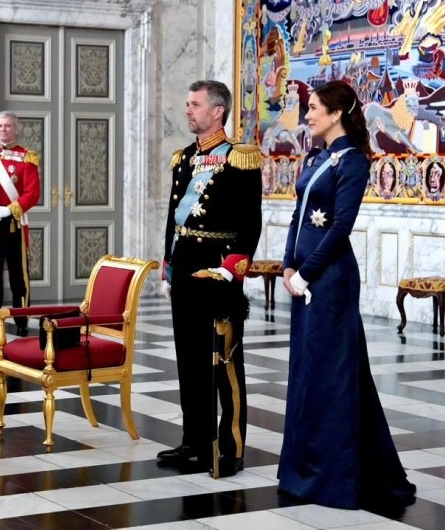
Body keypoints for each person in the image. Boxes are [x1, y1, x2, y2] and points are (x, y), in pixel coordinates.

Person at [279, 80, 416, 509]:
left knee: (332, 374)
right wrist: (287, 264)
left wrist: (307, 274)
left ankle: (334, 477)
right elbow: (297, 215)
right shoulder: (315, 156)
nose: (307, 115)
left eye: (314, 108)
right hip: (302, 276)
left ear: (336, 113)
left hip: (331, 281)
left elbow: (340, 228)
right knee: (307, 373)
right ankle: (303, 469)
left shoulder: (352, 163)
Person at [159, 80, 263, 477]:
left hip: (218, 268)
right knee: (189, 357)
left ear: (218, 111)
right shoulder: (184, 158)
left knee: (225, 361)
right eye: (187, 103)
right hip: (186, 264)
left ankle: (232, 447)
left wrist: (231, 270)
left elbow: (249, 226)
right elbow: (174, 220)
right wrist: (169, 264)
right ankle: (195, 441)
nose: (188, 110)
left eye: (195, 104)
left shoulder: (241, 158)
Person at [0, 111, 41, 334]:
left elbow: (33, 193)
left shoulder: (26, 157)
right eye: (0, 126)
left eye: (8, 126)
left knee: (17, 272)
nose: (3, 129)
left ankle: (21, 320)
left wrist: (9, 209)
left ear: (16, 128)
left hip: (13, 221)